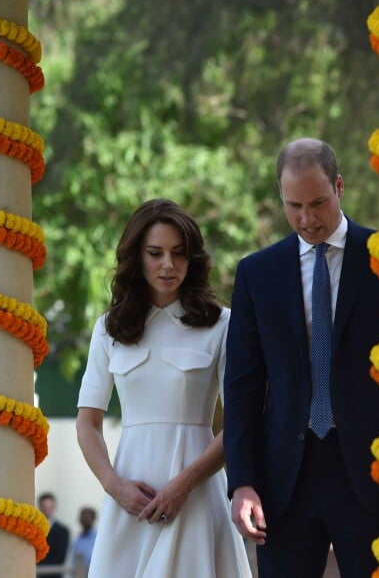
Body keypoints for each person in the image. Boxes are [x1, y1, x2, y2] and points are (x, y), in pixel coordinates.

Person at [223, 138, 379, 577]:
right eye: (294, 205)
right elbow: (242, 387)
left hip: (369, 476)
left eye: (317, 203)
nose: (307, 219)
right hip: (283, 482)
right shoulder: (257, 273)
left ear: (339, 187)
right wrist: (241, 482)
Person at [76, 198, 252, 577]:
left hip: (198, 495)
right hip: (129, 502)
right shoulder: (109, 330)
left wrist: (185, 484)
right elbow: (87, 423)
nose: (168, 265)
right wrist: (113, 485)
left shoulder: (222, 325)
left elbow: (239, 422)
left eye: (179, 254)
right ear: (136, 257)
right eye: (155, 253)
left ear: (193, 259)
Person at [36, 492, 70, 578]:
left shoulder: (63, 531)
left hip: (55, 574)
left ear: (54, 507)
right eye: (45, 507)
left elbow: (61, 557)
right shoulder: (34, 528)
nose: (47, 511)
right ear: (40, 507)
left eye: (49, 508)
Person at [71, 507, 97, 577]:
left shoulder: (97, 538)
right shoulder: (77, 539)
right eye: (83, 516)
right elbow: (73, 560)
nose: (84, 519)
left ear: (93, 518)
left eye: (87, 517)